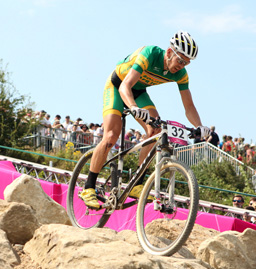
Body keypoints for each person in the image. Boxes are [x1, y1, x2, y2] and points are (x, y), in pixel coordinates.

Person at [80, 31, 210, 208]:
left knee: (155, 130)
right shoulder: (149, 54)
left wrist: (200, 126)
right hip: (118, 85)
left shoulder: (181, 74)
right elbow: (125, 85)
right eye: (180, 60)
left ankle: (137, 183)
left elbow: (188, 106)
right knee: (110, 135)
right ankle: (88, 187)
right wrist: (133, 108)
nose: (182, 65)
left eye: (187, 62)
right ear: (170, 52)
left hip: (139, 92)